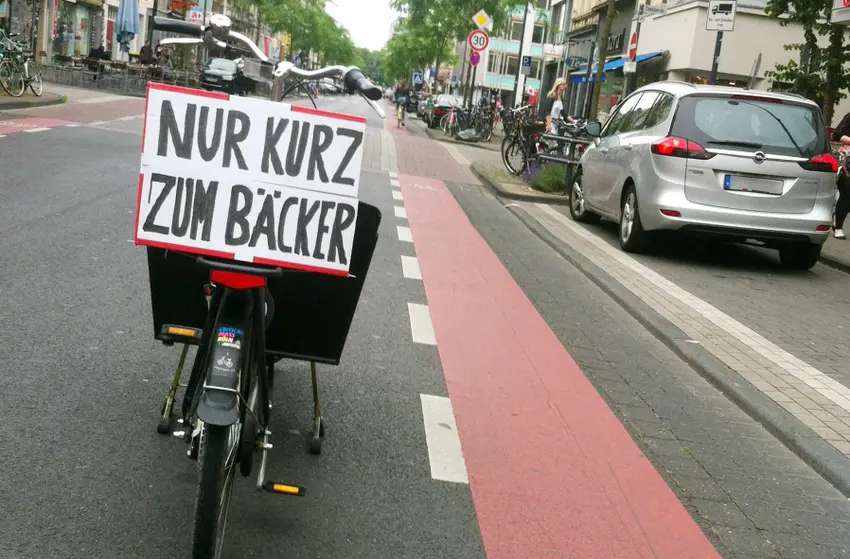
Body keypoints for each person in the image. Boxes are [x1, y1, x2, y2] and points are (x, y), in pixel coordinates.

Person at [832, 114, 850, 239]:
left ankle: (836, 218)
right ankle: (838, 227)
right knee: (847, 194)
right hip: (847, 162)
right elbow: (836, 135)